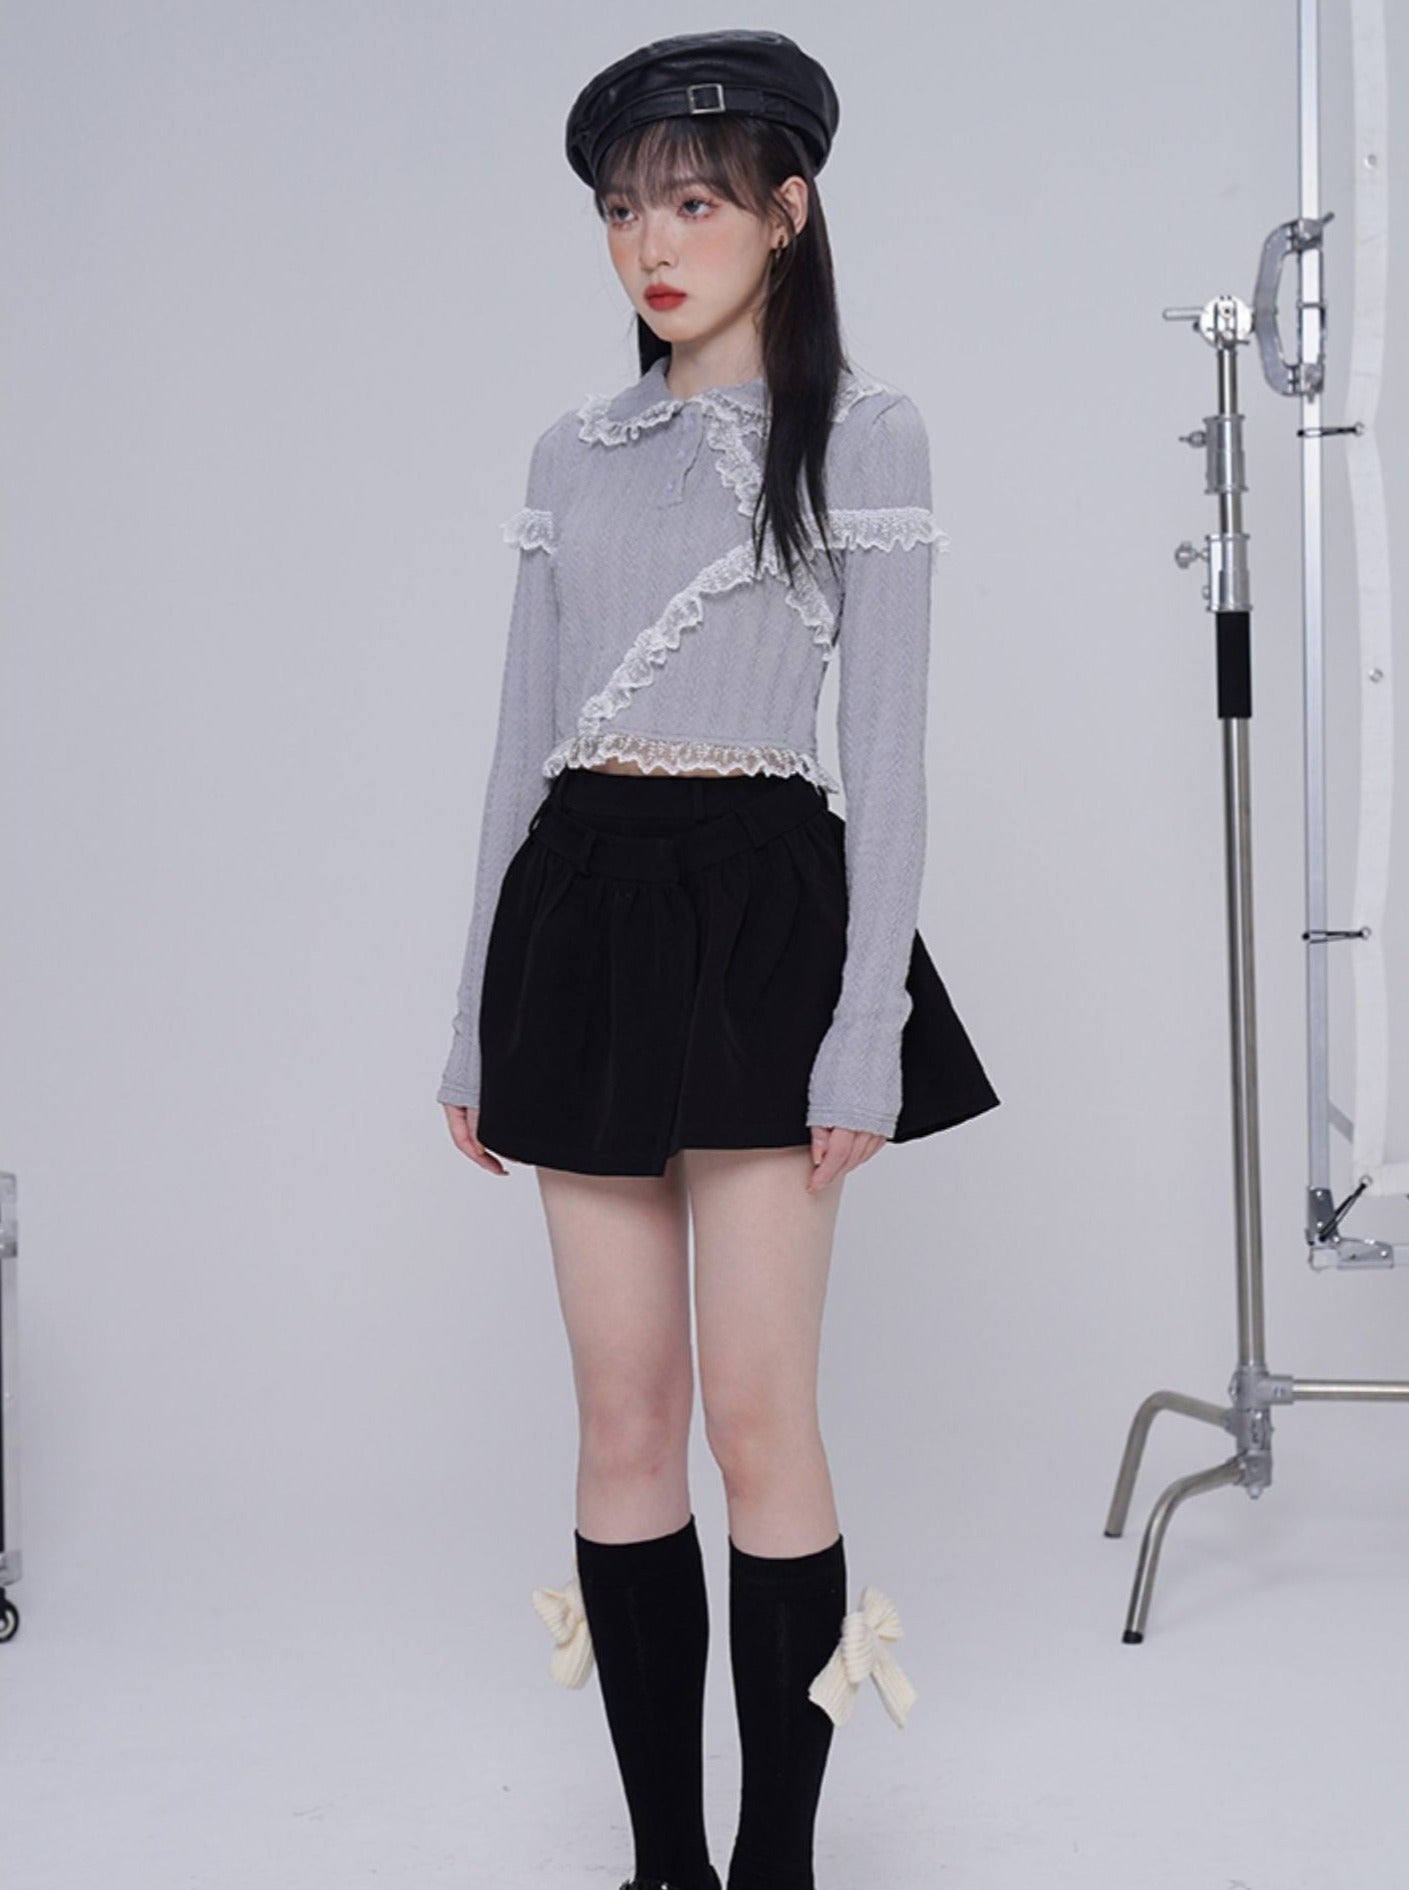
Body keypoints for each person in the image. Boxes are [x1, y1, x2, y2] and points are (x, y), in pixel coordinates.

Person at [437, 29, 1000, 1890]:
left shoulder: (867, 435)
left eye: (690, 202)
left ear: (786, 211)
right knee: (623, 1417)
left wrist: (863, 1036)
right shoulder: (572, 451)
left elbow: (890, 762)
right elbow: (518, 750)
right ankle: (662, 1864)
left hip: (766, 915)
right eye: (622, 211)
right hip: (581, 920)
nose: (651, 244)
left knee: (760, 1418)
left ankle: (777, 1866)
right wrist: (471, 1021)